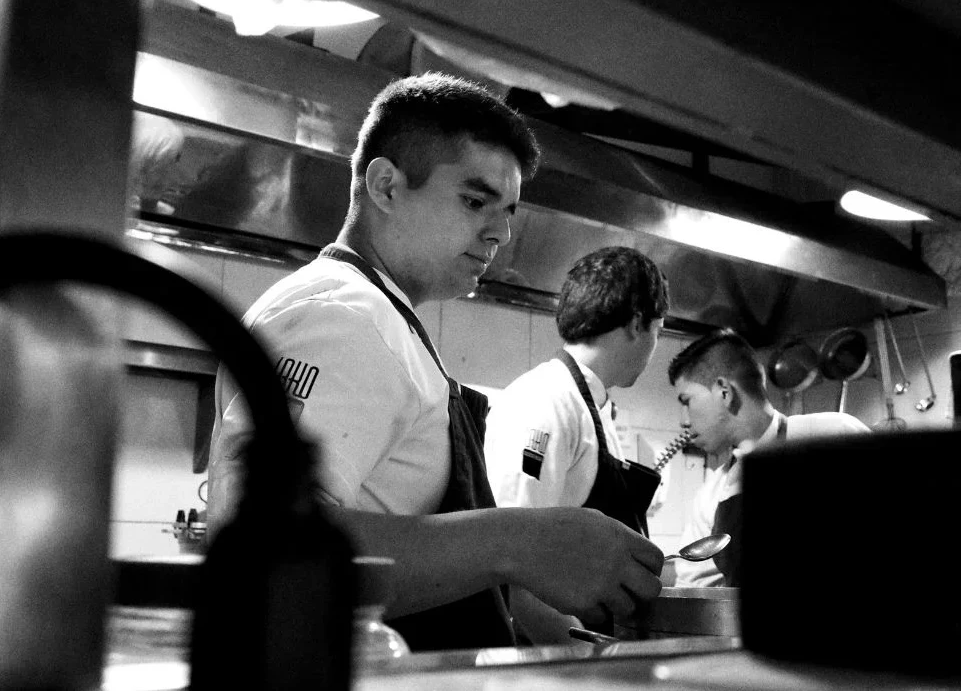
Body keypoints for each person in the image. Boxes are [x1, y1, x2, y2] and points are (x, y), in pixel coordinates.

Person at [207, 72, 663, 652]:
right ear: (386, 186)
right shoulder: (349, 318)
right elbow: (261, 546)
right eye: (475, 201)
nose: (498, 233)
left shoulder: (378, 316)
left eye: (509, 212)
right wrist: (520, 541)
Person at [483, 246, 669, 640]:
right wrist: (589, 655)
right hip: (553, 665)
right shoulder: (546, 401)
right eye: (659, 329)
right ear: (638, 323)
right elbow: (512, 570)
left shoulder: (591, 406)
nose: (655, 347)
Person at [668, 327, 870, 586]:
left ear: (724, 391)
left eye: (687, 401)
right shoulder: (709, 497)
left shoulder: (835, 435)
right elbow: (696, 594)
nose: (683, 421)